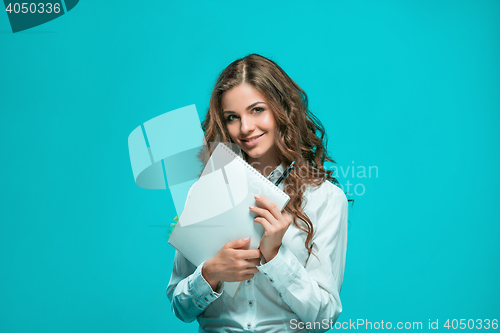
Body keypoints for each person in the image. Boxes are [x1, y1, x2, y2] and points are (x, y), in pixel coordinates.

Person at [167, 54, 348, 333]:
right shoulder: (206, 190)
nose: (246, 128)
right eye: (232, 117)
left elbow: (324, 316)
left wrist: (275, 257)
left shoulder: (325, 199)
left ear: (282, 109)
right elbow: (180, 307)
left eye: (257, 110)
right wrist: (210, 273)